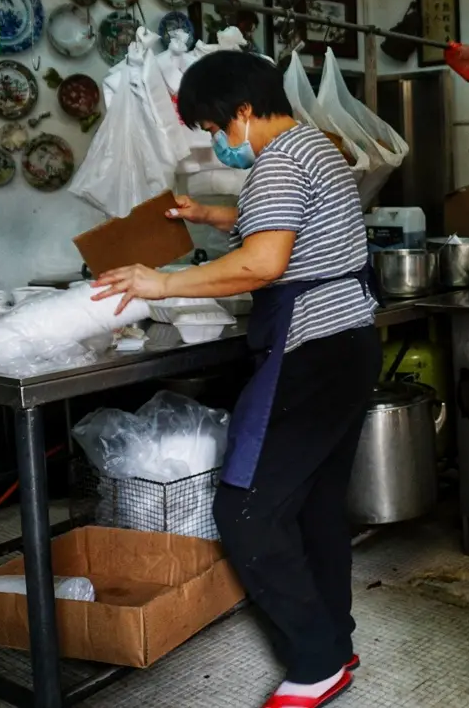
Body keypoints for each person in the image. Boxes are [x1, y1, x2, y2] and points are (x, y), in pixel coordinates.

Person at [91, 50, 379, 708]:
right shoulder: (315, 146)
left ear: (243, 112)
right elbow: (286, 228)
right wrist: (215, 215)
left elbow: (264, 261)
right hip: (350, 343)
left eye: (216, 129)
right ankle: (335, 640)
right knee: (313, 507)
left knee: (244, 509)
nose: (218, 143)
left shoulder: (277, 161)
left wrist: (158, 281)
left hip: (307, 350)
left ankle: (316, 660)